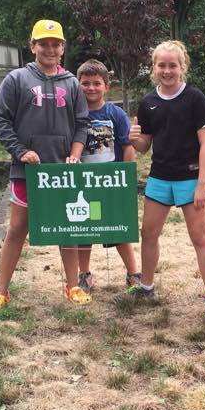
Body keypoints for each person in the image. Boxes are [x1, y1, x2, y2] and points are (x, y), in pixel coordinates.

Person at [0, 19, 90, 311]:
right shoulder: (17, 80)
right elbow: (1, 120)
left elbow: (82, 124)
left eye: (56, 44)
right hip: (28, 171)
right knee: (18, 228)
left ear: (63, 48)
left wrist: (76, 153)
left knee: (67, 228)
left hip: (62, 171)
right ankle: (1, 291)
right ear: (33, 47)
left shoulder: (72, 84)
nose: (50, 49)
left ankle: (73, 285)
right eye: (44, 44)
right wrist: (20, 151)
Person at [124, 40, 205, 315]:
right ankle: (147, 285)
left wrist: (202, 184)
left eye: (172, 65)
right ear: (153, 68)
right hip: (159, 178)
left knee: (200, 238)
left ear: (182, 67)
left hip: (189, 179)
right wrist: (134, 139)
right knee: (148, 234)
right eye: (161, 65)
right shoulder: (148, 102)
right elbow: (145, 146)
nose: (167, 71)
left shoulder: (194, 98)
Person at [74, 59, 141, 298]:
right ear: (78, 84)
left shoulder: (115, 113)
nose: (91, 88)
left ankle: (134, 273)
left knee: (118, 227)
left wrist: (126, 177)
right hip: (84, 184)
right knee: (84, 228)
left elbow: (128, 146)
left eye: (96, 83)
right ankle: (84, 274)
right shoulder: (74, 114)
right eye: (85, 83)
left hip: (112, 183)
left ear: (106, 86)